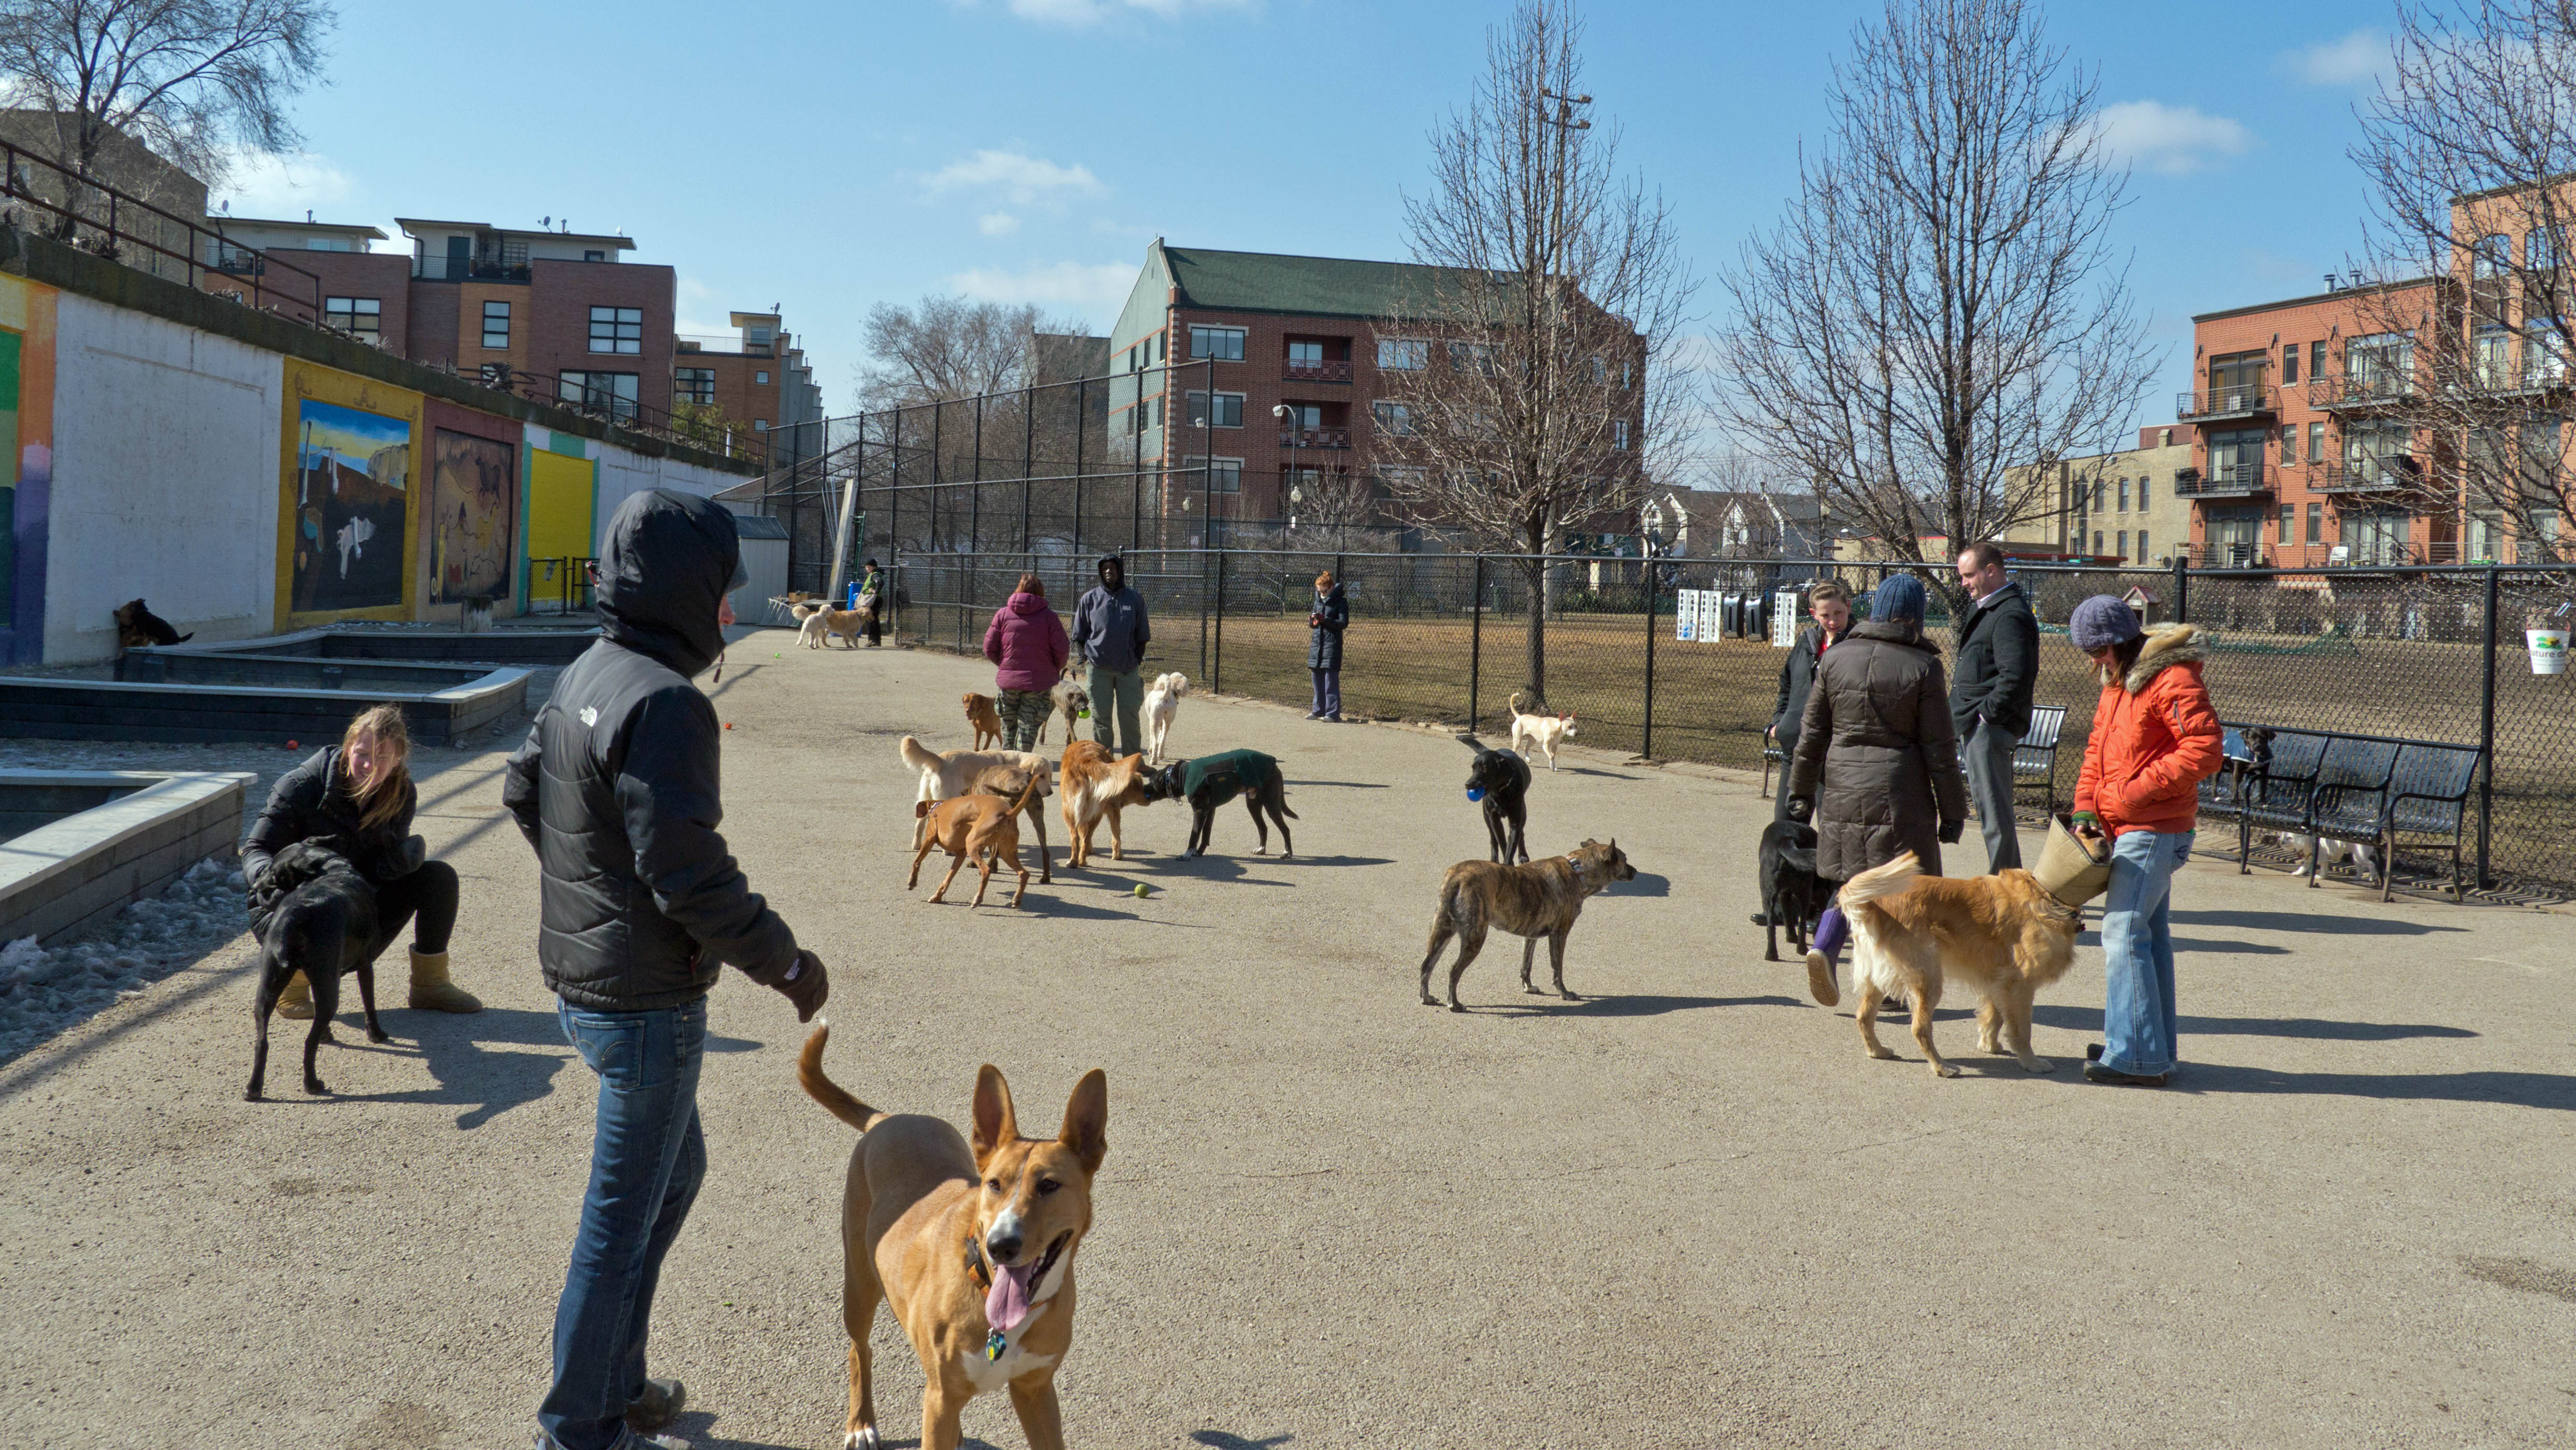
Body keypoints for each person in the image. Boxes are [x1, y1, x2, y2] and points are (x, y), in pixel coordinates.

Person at [504, 489, 829, 1450]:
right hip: (645, 1004)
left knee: (672, 1174)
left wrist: (587, 898)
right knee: (618, 1220)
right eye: (720, 593)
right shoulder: (669, 700)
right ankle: (578, 1425)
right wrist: (788, 962)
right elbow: (687, 874)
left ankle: (616, 1380)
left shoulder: (591, 670)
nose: (728, 612)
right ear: (690, 595)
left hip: (589, 986)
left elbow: (526, 791)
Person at [1785, 573, 1969, 1008]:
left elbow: (1812, 733)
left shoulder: (1837, 658)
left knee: (1851, 880)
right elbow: (1939, 748)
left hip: (1843, 787)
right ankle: (1889, 987)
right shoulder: (1924, 667)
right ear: (1916, 617)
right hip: (1900, 791)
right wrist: (1953, 811)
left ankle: (1825, 947)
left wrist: (1800, 790)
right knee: (1901, 891)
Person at [2068, 595, 2222, 1088]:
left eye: (2096, 651)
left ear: (2116, 643)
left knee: (2122, 934)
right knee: (2148, 938)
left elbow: (2205, 749)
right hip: (2131, 823)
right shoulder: (2118, 680)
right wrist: (2086, 806)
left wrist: (2133, 793)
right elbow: (2097, 747)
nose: (2093, 661)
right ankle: (2141, 1044)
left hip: (2155, 828)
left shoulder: (2171, 677)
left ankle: (2135, 1055)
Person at [244, 703, 477, 1020]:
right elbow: (255, 847)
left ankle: (430, 984)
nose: (369, 765)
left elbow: (376, 871)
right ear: (348, 747)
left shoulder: (401, 792)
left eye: (382, 757)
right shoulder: (301, 786)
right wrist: (272, 878)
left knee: (437, 877)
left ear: (398, 759)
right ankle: (292, 982)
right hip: (292, 909)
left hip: (353, 901)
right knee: (300, 895)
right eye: (362, 754)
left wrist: (395, 864)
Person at [1948, 542, 2041, 873]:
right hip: (1978, 723)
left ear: (1991, 570)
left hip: (1989, 727)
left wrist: (1986, 716)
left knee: (1994, 812)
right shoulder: (1990, 608)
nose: (1964, 583)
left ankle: (2006, 883)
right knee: (1989, 811)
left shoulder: (2009, 614)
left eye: (1969, 575)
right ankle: (2009, 881)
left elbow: (2016, 675)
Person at [1766, 579, 1853, 821]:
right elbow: (1787, 685)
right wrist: (1781, 723)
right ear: (1813, 614)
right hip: (1796, 747)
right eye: (1826, 615)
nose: (1834, 621)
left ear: (1848, 606)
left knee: (1832, 829)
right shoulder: (1806, 642)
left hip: (1832, 751)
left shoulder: (1857, 645)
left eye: (1839, 613)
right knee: (1786, 827)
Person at [1069, 554, 1151, 757]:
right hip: (1098, 669)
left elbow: (1143, 635)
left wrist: (1136, 659)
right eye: (1104, 568)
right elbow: (1079, 633)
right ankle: (1104, 761)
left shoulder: (1134, 599)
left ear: (1120, 571)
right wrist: (1086, 657)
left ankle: (1133, 760)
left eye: (1112, 568)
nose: (1108, 571)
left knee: (1130, 717)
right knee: (1100, 717)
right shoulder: (1089, 599)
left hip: (1127, 669)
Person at [984, 571, 1069, 750]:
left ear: (1018, 589)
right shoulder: (1049, 617)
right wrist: (1053, 669)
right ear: (1041, 592)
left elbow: (989, 648)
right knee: (1028, 731)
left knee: (1008, 730)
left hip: (1008, 685)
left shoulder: (1002, 614)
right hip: (1038, 684)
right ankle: (1022, 771)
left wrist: (1006, 665)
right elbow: (1062, 651)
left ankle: (1007, 771)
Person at [1307, 570, 1349, 721]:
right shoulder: (1318, 601)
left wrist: (1326, 620)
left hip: (1332, 644)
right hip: (1317, 644)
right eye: (1319, 591)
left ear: (1331, 588)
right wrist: (1313, 621)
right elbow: (1313, 623)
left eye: (1324, 590)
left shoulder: (1341, 602)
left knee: (1330, 679)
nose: (1322, 593)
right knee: (1316, 676)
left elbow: (1343, 623)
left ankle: (1332, 713)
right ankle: (1318, 710)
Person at [855, 559, 886, 647]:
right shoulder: (872, 575)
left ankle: (873, 640)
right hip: (873, 600)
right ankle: (876, 640)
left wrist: (875, 591)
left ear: (874, 567)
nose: (867, 569)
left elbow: (880, 582)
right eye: (866, 567)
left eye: (869, 567)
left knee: (871, 619)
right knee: (874, 619)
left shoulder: (876, 575)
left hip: (873, 601)